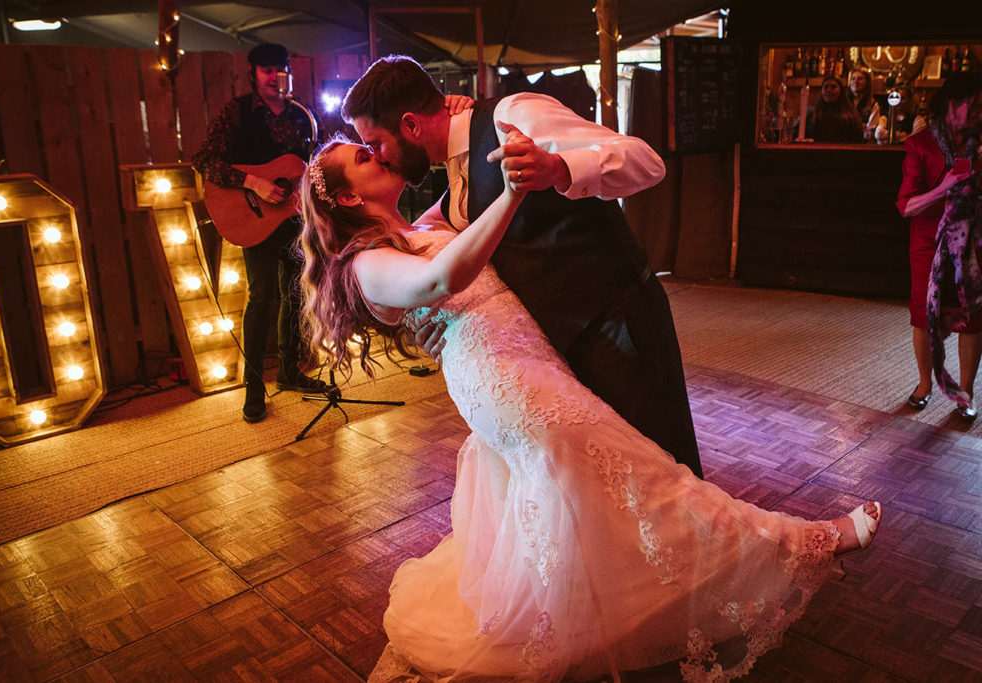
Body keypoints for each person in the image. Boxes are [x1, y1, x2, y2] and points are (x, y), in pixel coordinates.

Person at [297, 137, 882, 682]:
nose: (379, 153)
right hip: (505, 385)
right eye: (365, 157)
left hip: (529, 367)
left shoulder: (415, 226)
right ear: (349, 196)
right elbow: (444, 275)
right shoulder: (363, 263)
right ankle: (810, 539)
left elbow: (455, 226)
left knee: (592, 495)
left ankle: (577, 607)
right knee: (648, 477)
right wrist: (512, 193)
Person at [341, 55, 704, 479]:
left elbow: (645, 160)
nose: (378, 157)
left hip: (616, 321)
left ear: (411, 125)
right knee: (606, 478)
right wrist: (429, 319)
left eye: (376, 143)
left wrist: (559, 167)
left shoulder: (514, 115)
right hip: (552, 351)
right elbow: (435, 253)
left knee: (662, 468)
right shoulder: (452, 176)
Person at [193, 43, 329, 423]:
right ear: (253, 73)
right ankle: (253, 387)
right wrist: (252, 182)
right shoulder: (237, 113)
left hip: (293, 220)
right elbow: (204, 159)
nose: (273, 77)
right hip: (254, 220)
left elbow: (312, 163)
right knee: (262, 296)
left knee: (297, 294)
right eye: (266, 70)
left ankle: (289, 371)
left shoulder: (302, 115)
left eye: (279, 69)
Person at [897, 73, 982, 419]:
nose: (979, 110)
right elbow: (906, 206)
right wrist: (944, 186)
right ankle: (925, 385)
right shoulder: (920, 144)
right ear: (951, 105)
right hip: (928, 246)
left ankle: (967, 394)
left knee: (973, 319)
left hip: (972, 246)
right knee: (923, 316)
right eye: (972, 104)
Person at [794, 76, 864, 143]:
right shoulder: (811, 112)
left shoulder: (850, 115)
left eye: (833, 87)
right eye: (826, 87)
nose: (829, 90)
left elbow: (858, 138)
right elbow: (796, 132)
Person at [848, 68, 881, 138]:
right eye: (853, 78)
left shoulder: (873, 104)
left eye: (860, 79)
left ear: (867, 83)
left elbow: (870, 131)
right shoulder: (844, 101)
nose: (856, 81)